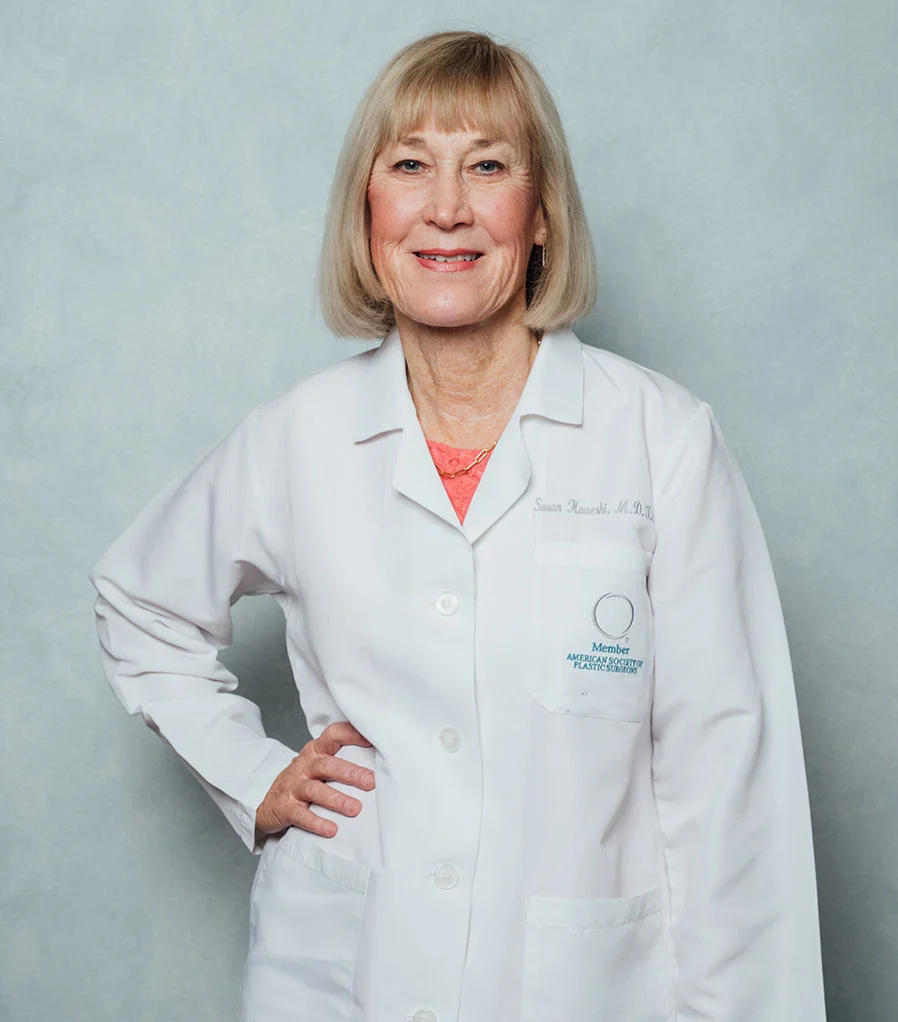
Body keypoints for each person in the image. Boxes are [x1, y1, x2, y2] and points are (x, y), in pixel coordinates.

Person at [88, 28, 827, 1022]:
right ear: (368, 211)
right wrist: (254, 773)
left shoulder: (660, 439)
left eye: (487, 165)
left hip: (585, 987)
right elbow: (140, 601)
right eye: (408, 165)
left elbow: (728, 785)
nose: (445, 206)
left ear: (541, 218)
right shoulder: (301, 437)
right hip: (339, 973)